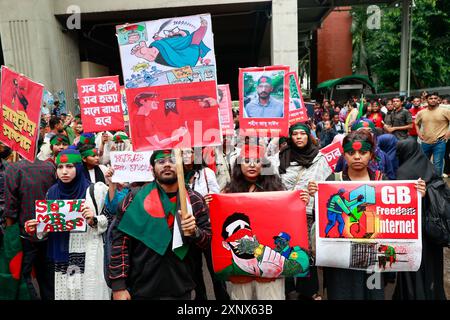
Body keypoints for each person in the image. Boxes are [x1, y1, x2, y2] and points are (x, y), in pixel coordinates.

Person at [308, 130, 426, 300]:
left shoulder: (381, 181)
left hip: (373, 257)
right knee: (341, 293)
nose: (357, 157)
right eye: (351, 152)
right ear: (344, 154)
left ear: (371, 155)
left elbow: (398, 214)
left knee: (373, 293)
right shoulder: (332, 180)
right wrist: (316, 196)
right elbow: (320, 218)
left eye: (362, 152)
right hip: (340, 258)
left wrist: (415, 197)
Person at [109, 150, 212, 300]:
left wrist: (195, 232)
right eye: (161, 162)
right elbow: (120, 243)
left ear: (181, 167)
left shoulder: (194, 200)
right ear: (152, 169)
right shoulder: (134, 198)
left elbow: (207, 240)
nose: (167, 165)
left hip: (181, 287)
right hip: (141, 288)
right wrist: (119, 286)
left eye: (172, 160)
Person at [214, 145, 310, 300]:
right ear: (239, 166)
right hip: (240, 273)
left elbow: (287, 219)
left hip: (270, 270)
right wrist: (212, 204)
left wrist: (300, 202)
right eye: (246, 161)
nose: (252, 165)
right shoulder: (228, 192)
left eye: (257, 161)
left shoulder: (277, 190)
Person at [24, 149, 111, 300]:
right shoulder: (52, 192)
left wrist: (94, 219)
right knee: (67, 294)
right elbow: (50, 225)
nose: (64, 171)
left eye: (70, 166)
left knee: (84, 293)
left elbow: (109, 218)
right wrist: (37, 226)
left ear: (78, 167)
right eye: (60, 167)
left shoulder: (95, 190)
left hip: (86, 255)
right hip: (61, 258)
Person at [276, 122, 331, 300]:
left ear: (309, 136)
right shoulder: (280, 157)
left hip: (308, 213)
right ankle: (286, 287)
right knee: (283, 249)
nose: (299, 137)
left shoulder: (319, 158)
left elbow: (327, 186)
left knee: (305, 251)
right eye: (295, 134)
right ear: (290, 137)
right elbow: (273, 183)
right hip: (283, 212)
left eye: (302, 133)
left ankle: (307, 290)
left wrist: (317, 191)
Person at [393, 139, 447, 300]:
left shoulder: (403, 172)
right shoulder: (430, 167)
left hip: (414, 231)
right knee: (432, 268)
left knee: (413, 267)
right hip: (432, 230)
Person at [3, 158, 56, 300]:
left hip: (24, 233)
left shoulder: (13, 169)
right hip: (48, 230)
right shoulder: (50, 167)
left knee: (24, 276)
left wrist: (10, 233)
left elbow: (11, 205)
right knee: (47, 277)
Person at [181, 147, 228, 300]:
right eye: (182, 153)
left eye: (189, 152)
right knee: (194, 268)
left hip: (207, 226)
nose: (186, 156)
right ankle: (201, 297)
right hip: (188, 228)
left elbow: (217, 197)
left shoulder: (207, 173)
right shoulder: (178, 175)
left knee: (214, 266)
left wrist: (210, 200)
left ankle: (222, 297)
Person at [131, 16, 211, 68]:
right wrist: (160, 38)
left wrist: (179, 33)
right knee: (182, 42)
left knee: (188, 41)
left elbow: (184, 38)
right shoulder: (186, 43)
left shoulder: (189, 44)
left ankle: (146, 52)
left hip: (174, 56)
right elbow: (179, 41)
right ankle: (147, 51)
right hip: (167, 51)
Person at [415, 92, 450, 177]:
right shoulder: (421, 113)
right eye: (431, 98)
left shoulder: (445, 111)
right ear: (427, 100)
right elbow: (416, 123)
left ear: (438, 100)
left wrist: (448, 133)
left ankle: (437, 184)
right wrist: (419, 133)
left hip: (439, 142)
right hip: (425, 142)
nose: (433, 100)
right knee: (424, 163)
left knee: (437, 163)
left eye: (435, 98)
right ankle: (425, 182)